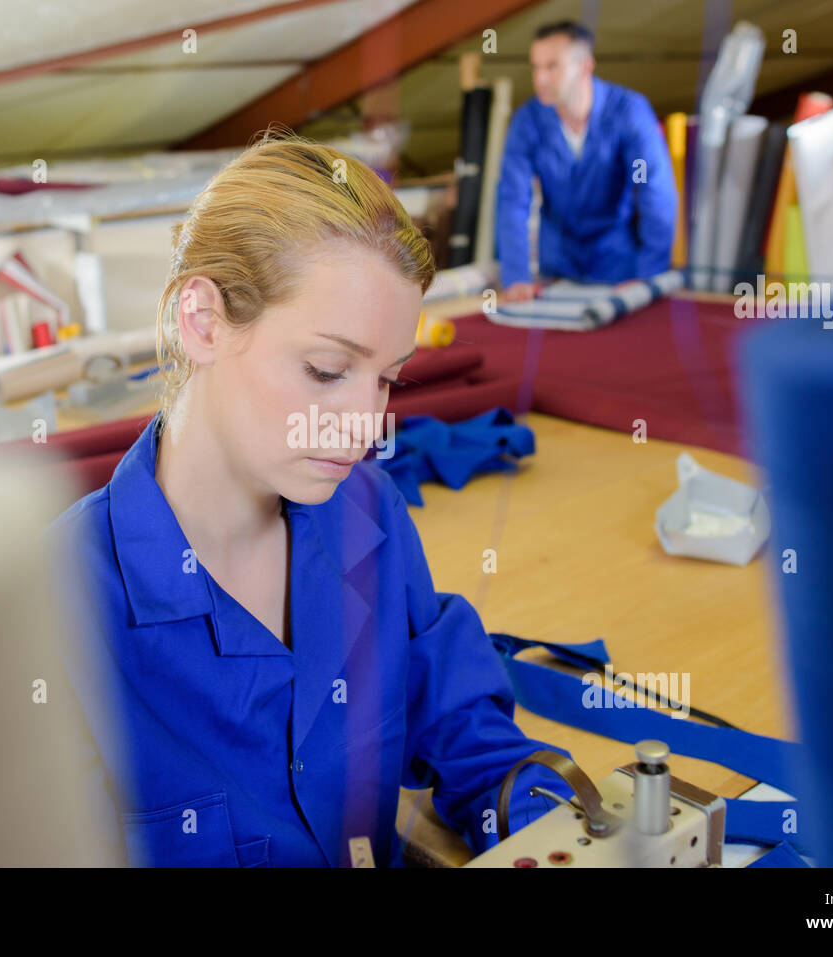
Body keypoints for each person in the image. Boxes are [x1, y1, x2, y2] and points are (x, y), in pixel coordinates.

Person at [47, 133, 577, 868]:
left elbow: (460, 725)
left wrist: (557, 831)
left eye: (388, 378)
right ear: (200, 321)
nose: (363, 426)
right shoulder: (52, 610)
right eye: (327, 369)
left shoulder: (368, 515)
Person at [496, 21, 677, 303]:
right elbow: (513, 200)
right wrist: (517, 276)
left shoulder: (630, 113)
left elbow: (653, 191)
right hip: (556, 267)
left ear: (584, 66)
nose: (540, 79)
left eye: (552, 66)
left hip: (618, 264)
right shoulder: (526, 122)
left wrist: (649, 276)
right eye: (536, 67)